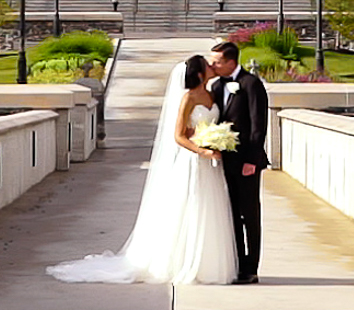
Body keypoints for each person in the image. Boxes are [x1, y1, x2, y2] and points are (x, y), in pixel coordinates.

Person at [46, 54, 238, 285]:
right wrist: (203, 150)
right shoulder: (187, 98)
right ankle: (181, 262)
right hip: (194, 161)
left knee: (210, 208)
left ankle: (209, 263)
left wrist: (217, 141)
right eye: (207, 65)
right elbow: (178, 136)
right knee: (191, 206)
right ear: (198, 73)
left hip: (212, 165)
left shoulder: (212, 93)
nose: (212, 66)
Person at [207, 40, 270, 284]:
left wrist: (252, 160)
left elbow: (258, 125)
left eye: (217, 61)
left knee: (249, 214)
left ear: (231, 62)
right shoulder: (215, 85)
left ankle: (251, 268)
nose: (213, 65)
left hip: (246, 162)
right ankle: (235, 263)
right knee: (230, 214)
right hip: (224, 161)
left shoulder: (251, 84)